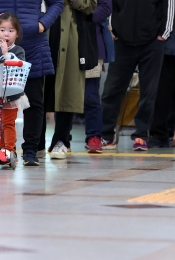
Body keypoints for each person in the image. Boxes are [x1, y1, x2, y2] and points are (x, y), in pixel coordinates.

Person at [0, 0, 63, 166]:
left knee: (34, 101)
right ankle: (5, 150)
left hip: (34, 45)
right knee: (0, 102)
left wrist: (42, 25)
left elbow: (57, 3)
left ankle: (31, 150)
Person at [100, 0, 174, 151]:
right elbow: (110, 5)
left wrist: (163, 34)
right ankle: (106, 135)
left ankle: (141, 135)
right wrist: (113, 31)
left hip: (152, 43)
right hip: (122, 43)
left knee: (149, 93)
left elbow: (169, 5)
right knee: (111, 90)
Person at [39, 0, 97, 159]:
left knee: (67, 91)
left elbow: (91, 6)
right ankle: (37, 143)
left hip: (71, 38)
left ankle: (61, 141)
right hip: (41, 34)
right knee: (40, 91)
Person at [0, 12, 30, 160]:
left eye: (11, 30)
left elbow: (19, 63)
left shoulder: (18, 50)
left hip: (11, 93)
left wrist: (6, 54)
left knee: (8, 123)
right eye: (2, 30)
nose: (6, 34)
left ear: (17, 34)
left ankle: (9, 150)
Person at [82, 0, 112, 153]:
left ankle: (94, 136)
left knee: (91, 96)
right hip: (65, 40)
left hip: (93, 42)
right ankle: (62, 138)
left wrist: (85, 16)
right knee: (63, 95)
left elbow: (106, 7)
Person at [148, 31, 175, 148]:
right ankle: (159, 134)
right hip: (164, 46)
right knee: (162, 92)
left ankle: (162, 133)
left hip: (165, 43)